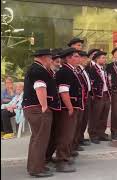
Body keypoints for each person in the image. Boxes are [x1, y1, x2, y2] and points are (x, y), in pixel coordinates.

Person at [22, 49, 61, 177]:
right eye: (50, 58)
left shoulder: (36, 68)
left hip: (35, 108)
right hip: (38, 108)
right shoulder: (38, 70)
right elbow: (40, 87)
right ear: (44, 58)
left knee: (37, 138)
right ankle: (36, 169)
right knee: (40, 139)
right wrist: (44, 106)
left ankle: (35, 166)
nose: (51, 61)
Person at [54, 48, 84, 172]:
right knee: (66, 134)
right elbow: (63, 91)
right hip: (68, 108)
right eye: (76, 56)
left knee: (70, 134)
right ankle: (61, 161)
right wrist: (70, 107)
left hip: (73, 106)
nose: (79, 58)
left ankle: (65, 156)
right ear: (68, 58)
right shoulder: (65, 71)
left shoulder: (71, 70)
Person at [87, 51, 111, 144]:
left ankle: (101, 133)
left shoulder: (104, 69)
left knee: (104, 116)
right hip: (98, 95)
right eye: (102, 58)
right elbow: (92, 83)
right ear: (97, 59)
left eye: (104, 58)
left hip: (106, 94)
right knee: (95, 116)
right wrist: (93, 95)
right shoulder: (93, 69)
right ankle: (93, 134)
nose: (104, 59)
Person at [72, 51, 93, 152]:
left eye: (87, 58)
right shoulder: (77, 70)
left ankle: (80, 138)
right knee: (79, 121)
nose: (86, 60)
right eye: (84, 58)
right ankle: (75, 141)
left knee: (84, 119)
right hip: (81, 97)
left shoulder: (84, 69)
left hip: (87, 96)